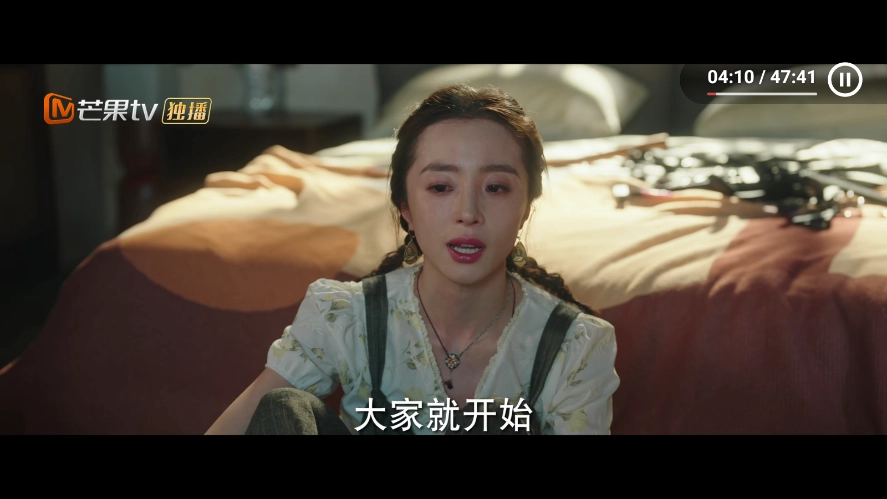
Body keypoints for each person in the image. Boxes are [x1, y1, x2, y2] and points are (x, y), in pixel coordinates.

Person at [205, 84, 620, 435]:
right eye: (441, 187)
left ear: (526, 208)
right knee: (283, 407)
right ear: (406, 207)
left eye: (496, 187)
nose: (468, 213)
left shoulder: (576, 345)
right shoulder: (345, 316)